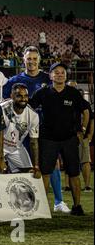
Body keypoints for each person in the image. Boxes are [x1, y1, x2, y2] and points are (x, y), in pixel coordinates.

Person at [2, 46, 69, 213]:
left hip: (45, 129)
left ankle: (58, 201)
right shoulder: (13, 81)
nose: (31, 62)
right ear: (23, 60)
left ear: (39, 60)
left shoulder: (48, 78)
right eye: (28, 59)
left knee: (52, 164)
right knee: (24, 166)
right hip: (20, 132)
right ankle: (21, 202)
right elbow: (5, 104)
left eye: (34, 59)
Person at [29, 63, 90, 216]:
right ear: (50, 76)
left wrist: (82, 128)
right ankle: (41, 207)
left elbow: (86, 110)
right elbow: (28, 108)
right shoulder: (42, 92)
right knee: (45, 173)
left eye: (62, 72)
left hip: (69, 139)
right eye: (56, 72)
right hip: (48, 139)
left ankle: (77, 206)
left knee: (74, 173)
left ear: (66, 76)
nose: (60, 75)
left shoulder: (73, 93)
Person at [0, 83, 41, 177]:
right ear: (12, 96)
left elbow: (34, 142)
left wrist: (36, 166)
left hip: (15, 147)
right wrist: (0, 158)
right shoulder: (1, 109)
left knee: (30, 173)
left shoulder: (33, 115)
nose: (23, 99)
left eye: (25, 96)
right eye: (19, 96)